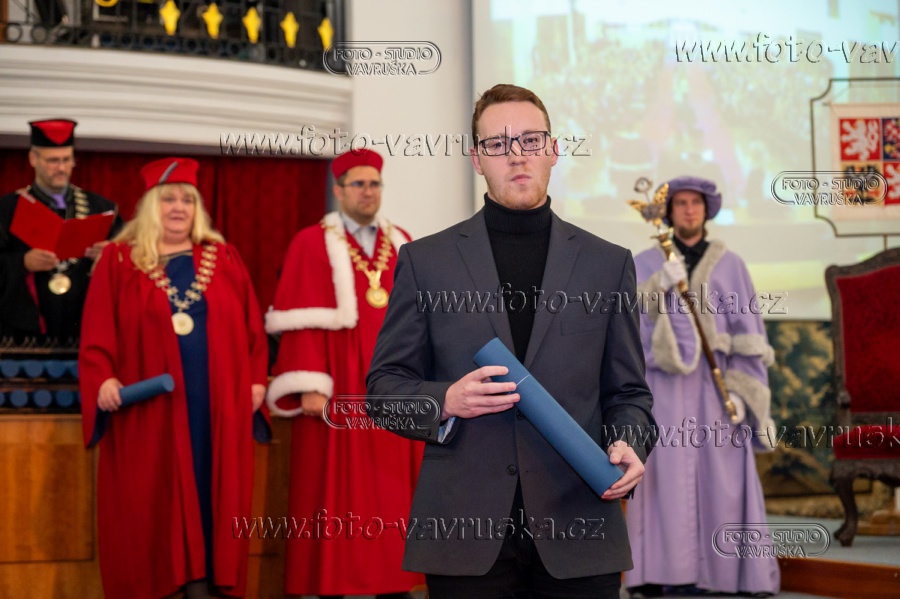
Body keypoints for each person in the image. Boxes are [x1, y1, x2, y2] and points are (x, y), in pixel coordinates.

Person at [366, 83, 656, 599]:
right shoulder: (425, 262)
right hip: (463, 530)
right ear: (477, 159)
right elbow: (384, 391)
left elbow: (629, 393)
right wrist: (446, 399)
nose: (517, 155)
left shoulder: (607, 264)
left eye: (530, 140)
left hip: (579, 523)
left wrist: (630, 442)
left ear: (554, 150)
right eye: (498, 144)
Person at [78, 157, 269, 599]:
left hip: (216, 408)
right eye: (168, 199)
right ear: (150, 206)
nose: (179, 207)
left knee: (212, 494)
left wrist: (257, 382)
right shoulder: (119, 260)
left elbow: (252, 331)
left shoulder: (224, 257)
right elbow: (97, 332)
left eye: (188, 199)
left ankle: (208, 583)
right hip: (151, 411)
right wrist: (103, 378)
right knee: (150, 498)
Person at [266, 148, 423, 598]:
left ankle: (395, 586)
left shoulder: (403, 241)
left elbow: (419, 321)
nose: (368, 192)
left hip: (393, 385)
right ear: (338, 190)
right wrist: (309, 383)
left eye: (374, 184)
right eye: (358, 184)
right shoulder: (310, 243)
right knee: (334, 494)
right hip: (338, 383)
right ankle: (331, 587)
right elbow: (301, 321)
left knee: (392, 493)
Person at [624, 176, 780, 598]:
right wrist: (656, 289)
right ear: (668, 211)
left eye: (696, 202)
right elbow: (626, 331)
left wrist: (743, 393)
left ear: (707, 210)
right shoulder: (643, 263)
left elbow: (749, 336)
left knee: (724, 482)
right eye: (681, 203)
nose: (689, 209)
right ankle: (656, 574)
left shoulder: (732, 266)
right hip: (661, 393)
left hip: (716, 393)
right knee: (663, 482)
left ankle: (733, 575)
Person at [0, 119, 122, 342]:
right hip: (24, 335)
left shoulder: (100, 208)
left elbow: (131, 261)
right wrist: (22, 262)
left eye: (67, 159)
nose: (62, 168)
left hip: (85, 329)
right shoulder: (7, 209)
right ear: (33, 159)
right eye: (53, 160)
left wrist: (110, 254)